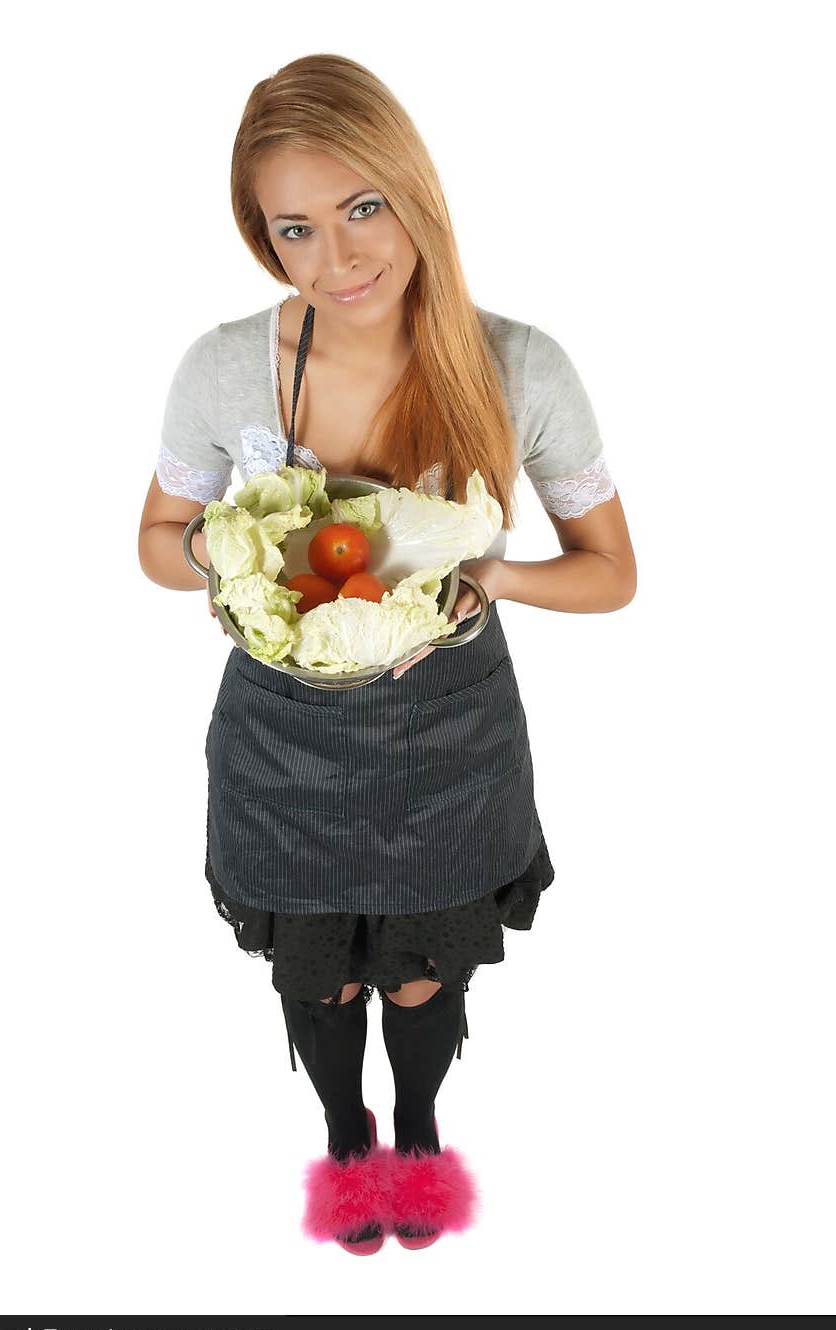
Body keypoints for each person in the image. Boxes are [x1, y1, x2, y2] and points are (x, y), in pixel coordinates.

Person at [138, 53, 637, 1256]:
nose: (338, 257)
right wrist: (237, 557)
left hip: (451, 737)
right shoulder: (223, 366)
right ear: (263, 236)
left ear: (414, 189)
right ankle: (344, 1138)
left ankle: (415, 1123)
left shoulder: (519, 364)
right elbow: (156, 542)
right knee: (320, 977)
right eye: (294, 227)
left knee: (416, 972)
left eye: (363, 207)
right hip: (283, 744)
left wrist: (493, 575)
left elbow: (612, 573)